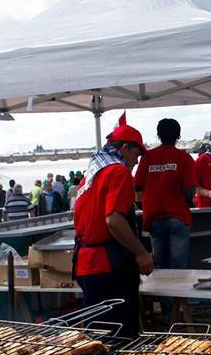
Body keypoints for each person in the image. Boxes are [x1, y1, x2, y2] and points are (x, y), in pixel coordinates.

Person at [73, 115, 154, 337]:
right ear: (125, 149)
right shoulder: (118, 172)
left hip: (86, 264)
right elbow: (114, 220)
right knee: (120, 340)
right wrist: (141, 253)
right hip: (108, 267)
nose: (137, 162)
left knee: (96, 339)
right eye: (137, 154)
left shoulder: (91, 173)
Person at [135, 118, 196, 324]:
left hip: (154, 218)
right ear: (178, 135)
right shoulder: (184, 158)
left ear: (158, 134)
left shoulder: (147, 157)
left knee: (160, 269)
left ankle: (167, 314)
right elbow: (190, 189)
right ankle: (178, 316)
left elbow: (136, 186)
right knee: (178, 270)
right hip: (178, 217)